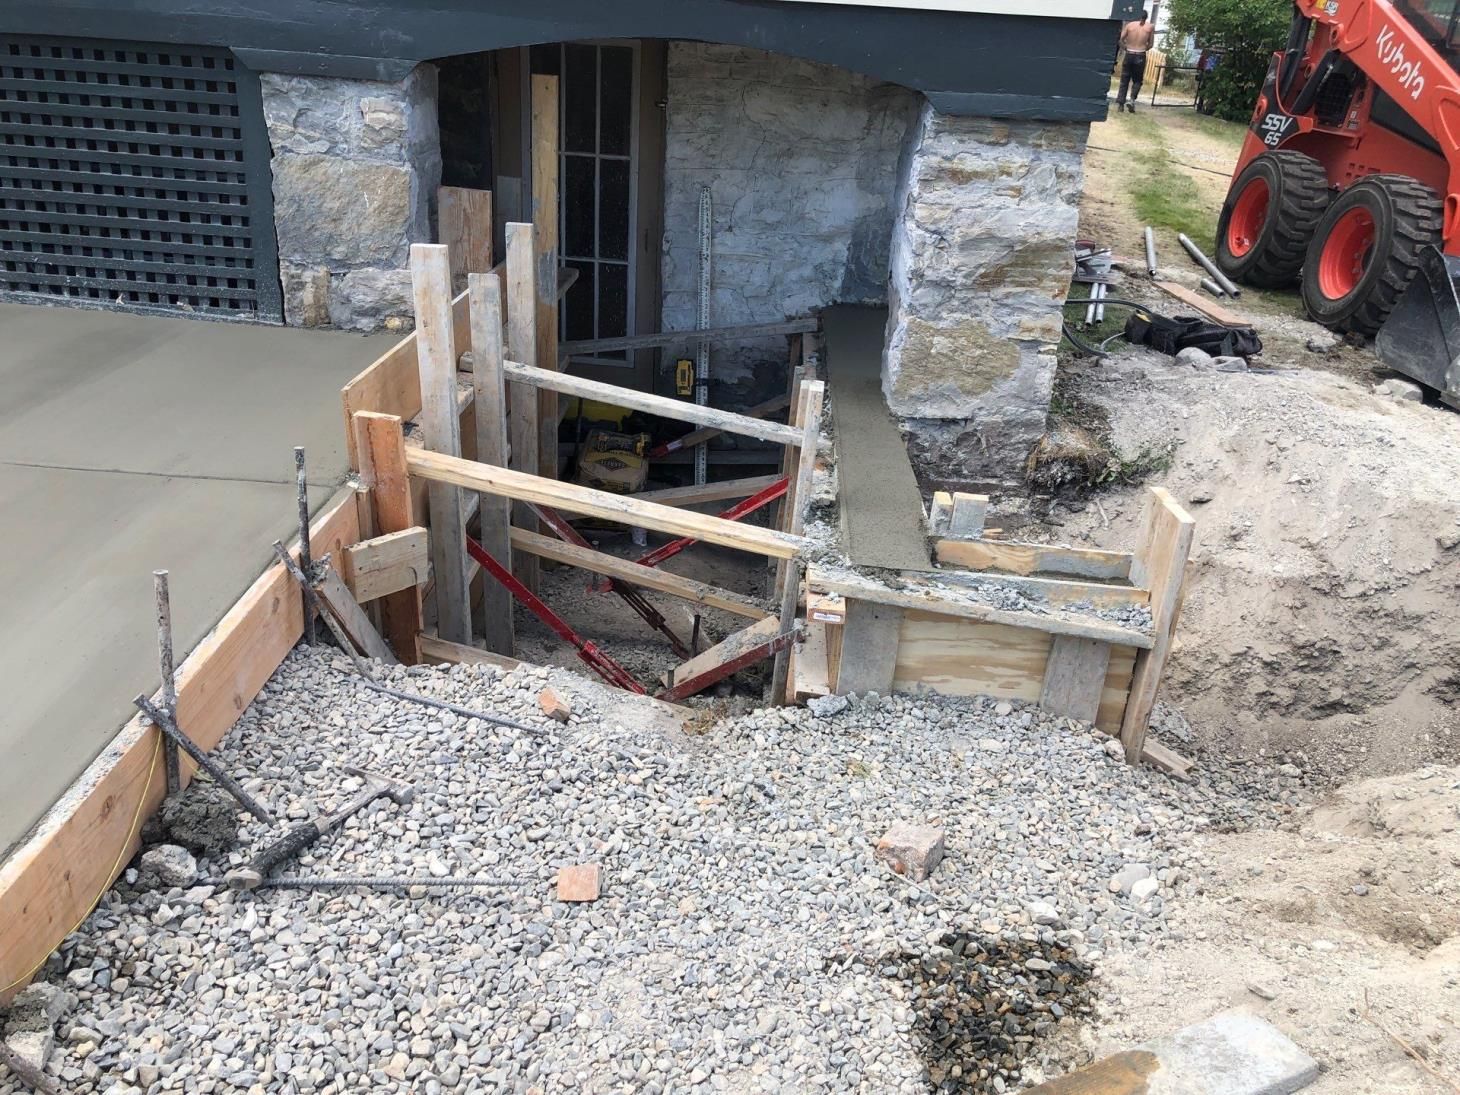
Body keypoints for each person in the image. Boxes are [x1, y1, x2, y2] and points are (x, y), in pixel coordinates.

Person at [1117, 11, 1156, 113]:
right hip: (1140, 55)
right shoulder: (1150, 27)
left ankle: (1120, 104)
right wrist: (1143, 49)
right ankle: (1132, 100)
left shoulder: (1130, 25)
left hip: (1129, 53)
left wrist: (1125, 48)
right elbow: (1151, 44)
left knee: (1124, 79)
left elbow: (1120, 39)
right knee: (1137, 80)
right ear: (1146, 18)